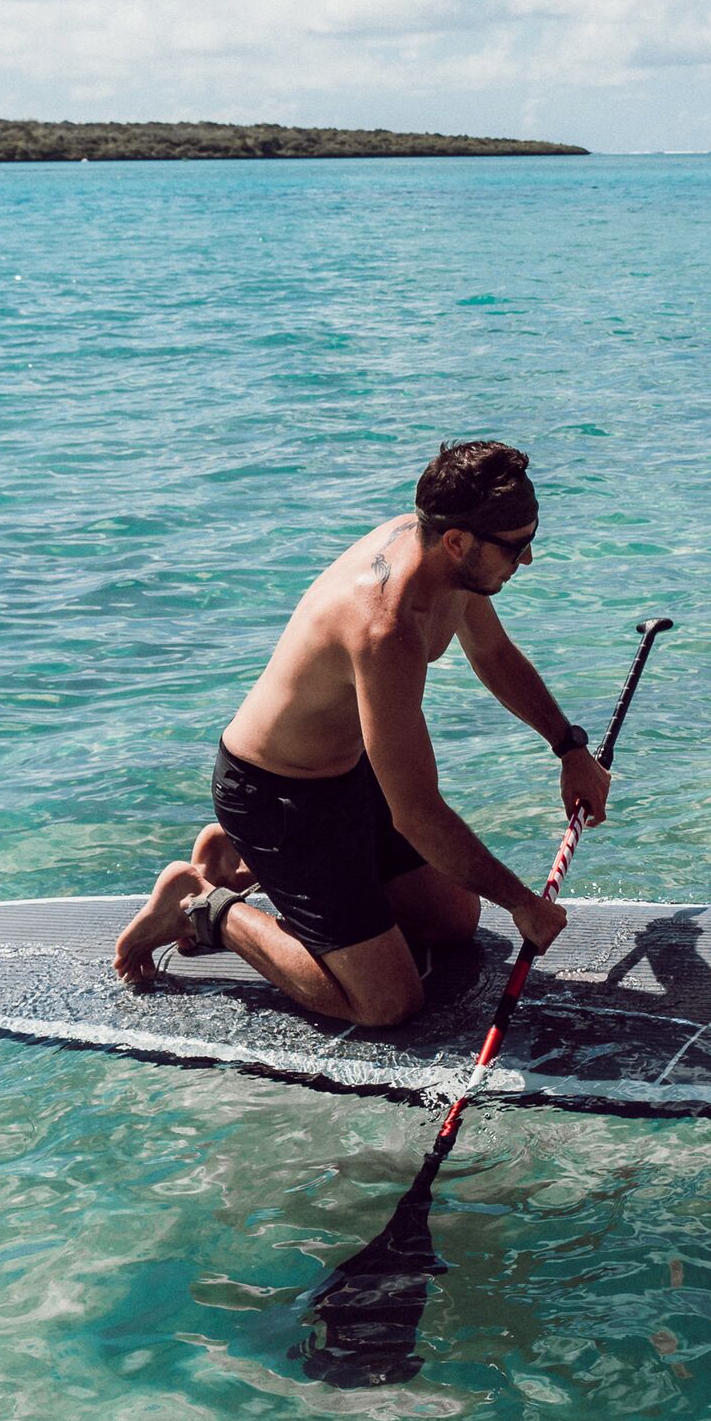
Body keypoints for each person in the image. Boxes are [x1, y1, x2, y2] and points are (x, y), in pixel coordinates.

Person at [113, 439, 609, 1024]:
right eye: (518, 547)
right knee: (386, 1004)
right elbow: (418, 813)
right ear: (456, 540)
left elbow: (494, 654)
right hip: (277, 798)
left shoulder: (445, 558)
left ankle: (235, 858)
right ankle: (202, 907)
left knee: (454, 924)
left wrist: (569, 749)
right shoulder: (386, 628)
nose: (526, 560)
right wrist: (523, 904)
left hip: (348, 774)